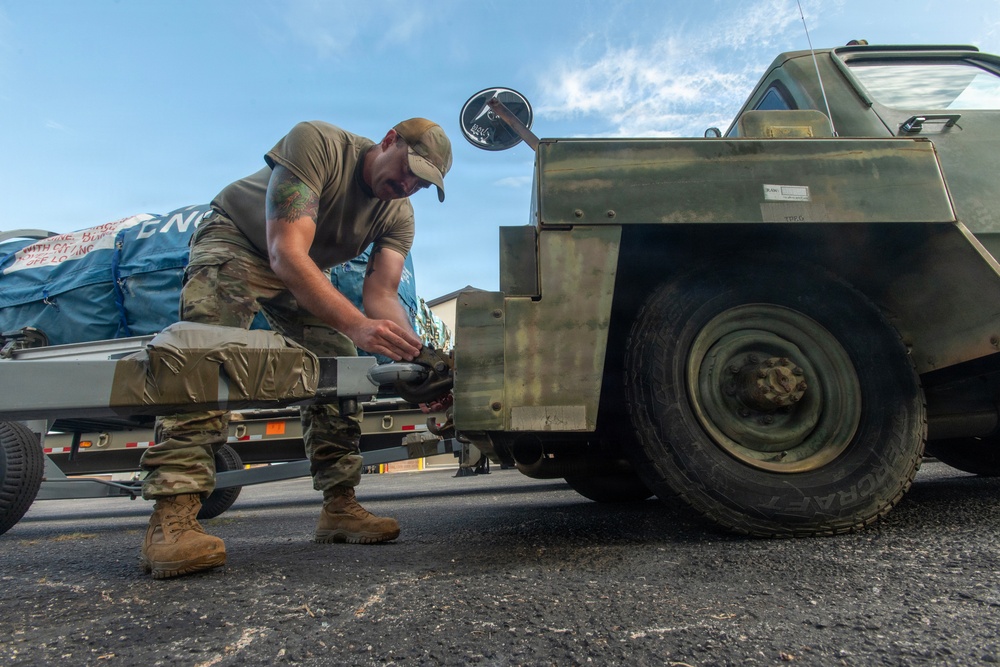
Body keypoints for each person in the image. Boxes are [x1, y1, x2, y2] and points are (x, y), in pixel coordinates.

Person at [138, 118, 452, 579]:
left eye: (420, 184)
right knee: (204, 352)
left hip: (301, 271)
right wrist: (360, 326)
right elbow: (285, 252)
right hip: (240, 242)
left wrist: (415, 359)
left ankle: (339, 506)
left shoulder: (398, 213)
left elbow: (381, 296)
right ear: (388, 141)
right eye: (408, 169)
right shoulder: (319, 144)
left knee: (342, 365)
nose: (407, 185)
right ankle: (172, 519)